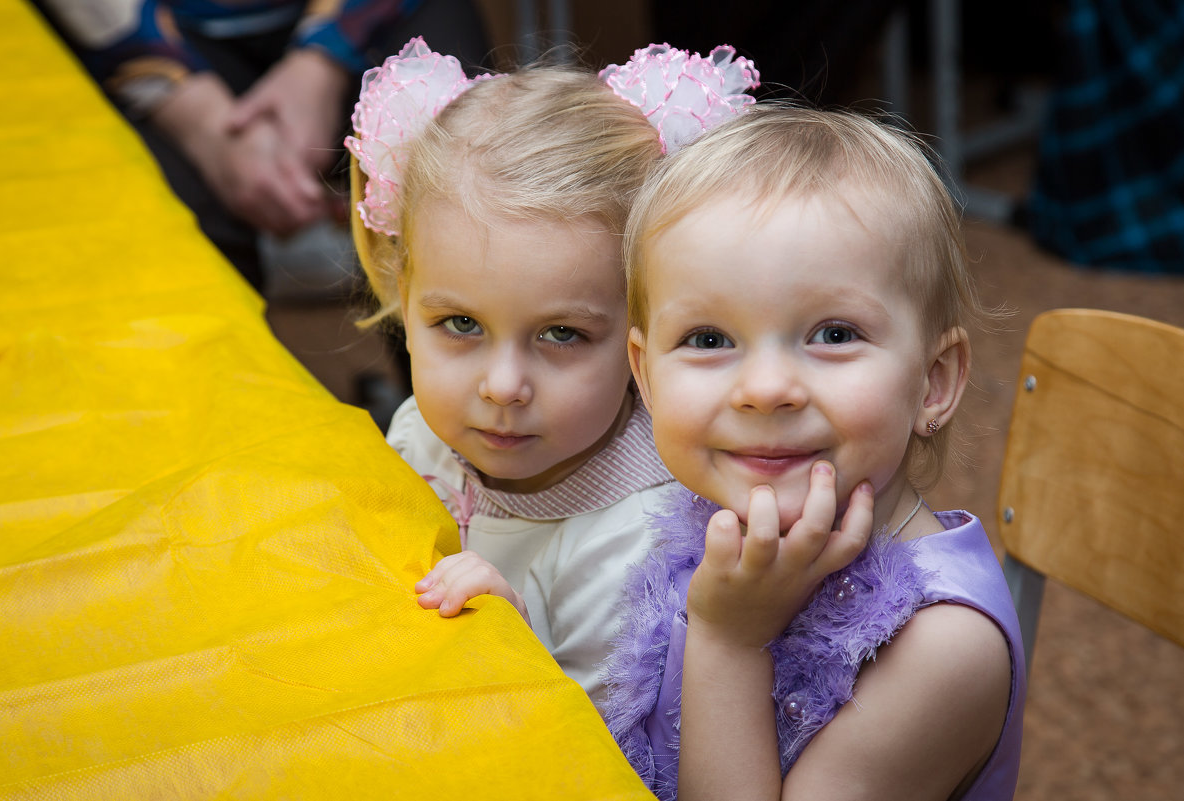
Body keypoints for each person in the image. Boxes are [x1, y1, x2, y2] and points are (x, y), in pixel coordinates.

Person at [603, 105, 1026, 800]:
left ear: (933, 381)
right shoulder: (706, 517)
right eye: (708, 339)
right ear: (645, 377)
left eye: (832, 333)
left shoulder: (943, 644)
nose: (765, 389)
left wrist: (728, 642)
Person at [343, 39, 761, 705]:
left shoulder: (643, 545)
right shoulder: (422, 427)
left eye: (561, 333)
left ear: (647, 324)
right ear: (402, 287)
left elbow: (604, 760)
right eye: (459, 324)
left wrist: (513, 649)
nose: (502, 385)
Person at [31, 0, 489, 289]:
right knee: (173, 223)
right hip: (131, 29)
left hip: (380, 13)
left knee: (455, 168)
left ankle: (448, 426)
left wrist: (324, 56)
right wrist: (198, 119)